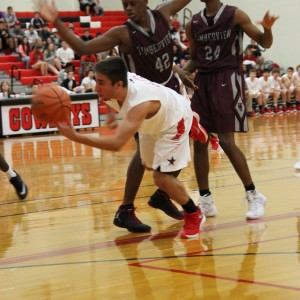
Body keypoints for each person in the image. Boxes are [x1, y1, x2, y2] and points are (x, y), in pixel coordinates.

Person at [35, 0, 208, 233]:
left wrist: (177, 71)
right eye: (124, 3)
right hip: (141, 98)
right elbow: (85, 50)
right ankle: (132, 206)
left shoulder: (163, 13)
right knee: (147, 159)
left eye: (132, 3)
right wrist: (55, 20)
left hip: (165, 96)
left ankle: (170, 192)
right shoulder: (123, 34)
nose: (127, 8)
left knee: (163, 168)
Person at [57, 56, 206, 238]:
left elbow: (117, 143)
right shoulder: (115, 84)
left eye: (101, 83)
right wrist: (110, 113)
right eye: (96, 81)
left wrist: (76, 136)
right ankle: (159, 199)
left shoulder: (138, 103)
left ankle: (193, 213)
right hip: (151, 122)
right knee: (148, 164)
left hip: (174, 121)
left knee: (161, 178)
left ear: (119, 85)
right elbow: (111, 90)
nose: (96, 87)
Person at [178, 0, 278, 220]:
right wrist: (183, 72)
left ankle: (254, 194)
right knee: (200, 139)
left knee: (225, 140)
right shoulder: (193, 22)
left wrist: (267, 28)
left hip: (227, 78)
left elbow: (265, 42)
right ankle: (205, 199)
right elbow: (195, 59)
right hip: (203, 81)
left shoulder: (235, 15)